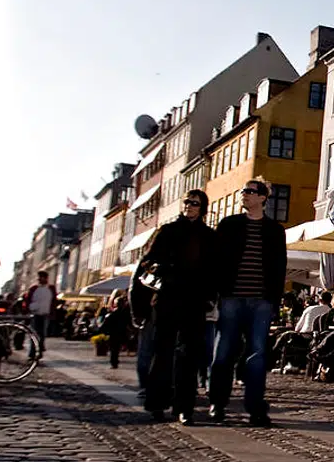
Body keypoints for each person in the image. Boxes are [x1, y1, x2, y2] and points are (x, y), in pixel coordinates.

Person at [132, 190, 220, 423]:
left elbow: (215, 269)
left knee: (189, 356)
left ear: (202, 208)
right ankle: (157, 403)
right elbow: (147, 263)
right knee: (162, 353)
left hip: (194, 301)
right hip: (168, 298)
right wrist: (162, 272)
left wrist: (210, 296)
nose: (190, 206)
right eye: (187, 202)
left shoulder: (208, 236)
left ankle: (184, 407)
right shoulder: (168, 231)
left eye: (195, 203)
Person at [210, 178, 288, 427]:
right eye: (243, 190)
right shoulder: (229, 225)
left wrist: (274, 301)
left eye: (251, 191)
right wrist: (216, 295)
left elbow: (279, 268)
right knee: (223, 353)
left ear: (263, 198)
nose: (245, 194)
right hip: (231, 298)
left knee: (257, 356)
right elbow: (216, 261)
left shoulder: (275, 231)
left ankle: (255, 408)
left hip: (261, 302)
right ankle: (217, 403)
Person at [22, 270, 56, 360]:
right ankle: (32, 353)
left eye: (42, 277)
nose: (40, 279)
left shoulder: (51, 288)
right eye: (39, 277)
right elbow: (28, 299)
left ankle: (39, 351)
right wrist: (29, 309)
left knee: (43, 334)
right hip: (35, 314)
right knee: (34, 334)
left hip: (45, 314)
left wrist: (52, 313)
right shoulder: (34, 288)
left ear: (46, 278)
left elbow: (53, 301)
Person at [100, 290, 135, 369]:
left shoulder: (112, 314)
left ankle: (114, 363)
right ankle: (115, 362)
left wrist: (104, 332)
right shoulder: (125, 314)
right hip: (122, 333)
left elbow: (105, 325)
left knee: (114, 349)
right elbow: (129, 323)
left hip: (114, 334)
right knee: (116, 349)